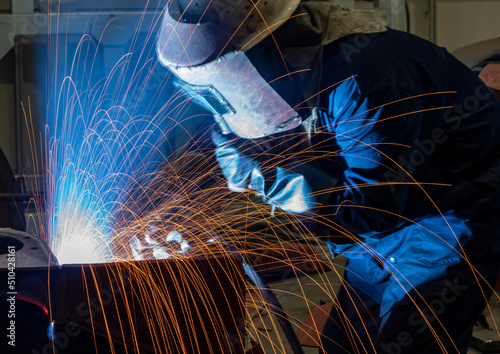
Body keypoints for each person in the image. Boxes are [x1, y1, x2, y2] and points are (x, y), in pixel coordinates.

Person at [156, 1, 500, 352]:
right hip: (382, 230)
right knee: (343, 344)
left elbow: (374, 208)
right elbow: (239, 118)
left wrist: (273, 180)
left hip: (450, 219)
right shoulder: (287, 69)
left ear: (263, 49)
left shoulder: (366, 78)